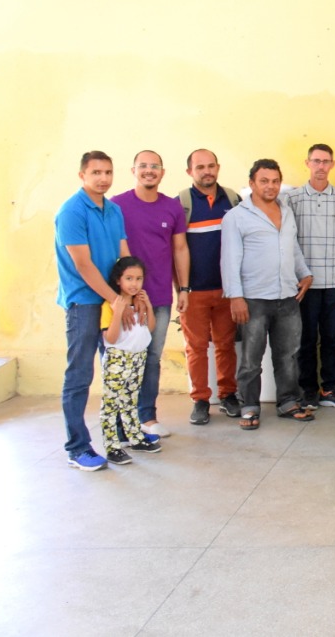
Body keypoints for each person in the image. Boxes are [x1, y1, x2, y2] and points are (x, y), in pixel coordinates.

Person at [221, 159, 315, 430]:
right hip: (253, 298)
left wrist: (304, 273)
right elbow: (229, 260)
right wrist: (236, 297)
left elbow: (292, 247)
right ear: (252, 183)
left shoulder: (286, 212)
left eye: (275, 181)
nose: (270, 186)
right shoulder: (236, 217)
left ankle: (288, 402)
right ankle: (249, 406)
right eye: (264, 181)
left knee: (288, 356)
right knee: (251, 359)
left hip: (287, 296)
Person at [56, 151, 131, 471]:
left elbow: (124, 256)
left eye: (108, 172)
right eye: (96, 172)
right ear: (82, 175)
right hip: (85, 303)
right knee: (80, 374)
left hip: (112, 300)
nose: (103, 178)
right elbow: (84, 265)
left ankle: (115, 437)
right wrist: (115, 300)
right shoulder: (71, 211)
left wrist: (131, 293)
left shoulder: (113, 210)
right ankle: (77, 447)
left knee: (117, 372)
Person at [110, 150, 188, 439]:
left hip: (159, 298)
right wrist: (122, 294)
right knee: (126, 357)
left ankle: (147, 417)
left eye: (154, 166)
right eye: (143, 166)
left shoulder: (172, 207)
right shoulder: (117, 205)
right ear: (133, 170)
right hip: (125, 299)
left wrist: (184, 289)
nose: (149, 171)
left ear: (162, 172)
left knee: (151, 357)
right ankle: (121, 418)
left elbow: (179, 249)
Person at [286, 143, 335, 411]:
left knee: (330, 338)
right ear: (307, 163)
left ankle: (330, 388)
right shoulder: (292, 199)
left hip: (333, 283)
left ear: (332, 165)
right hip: (304, 284)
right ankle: (307, 391)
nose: (321, 166)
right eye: (316, 161)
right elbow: (287, 241)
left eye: (326, 161)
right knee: (304, 339)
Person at [177, 149, 242, 425]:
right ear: (190, 171)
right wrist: (182, 288)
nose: (207, 171)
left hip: (228, 290)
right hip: (195, 292)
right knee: (196, 347)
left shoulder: (233, 200)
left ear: (218, 167)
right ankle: (200, 400)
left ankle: (228, 395)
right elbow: (176, 248)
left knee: (226, 345)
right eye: (200, 167)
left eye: (211, 166)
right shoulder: (181, 204)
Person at [98, 257, 158, 465]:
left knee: (130, 400)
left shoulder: (139, 303)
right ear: (118, 280)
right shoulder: (110, 305)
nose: (134, 283)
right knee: (111, 403)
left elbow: (149, 328)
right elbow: (111, 338)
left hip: (137, 357)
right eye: (129, 278)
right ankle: (112, 447)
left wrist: (148, 306)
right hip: (118, 359)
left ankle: (135, 437)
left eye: (139, 279)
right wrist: (118, 312)